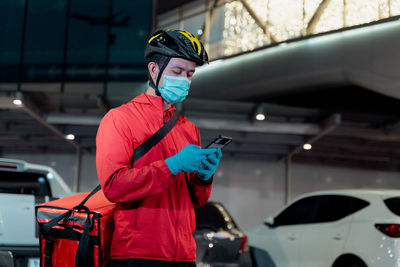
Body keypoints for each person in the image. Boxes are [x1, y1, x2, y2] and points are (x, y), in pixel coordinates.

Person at [96, 29, 222, 267]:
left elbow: (195, 200)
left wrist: (204, 178)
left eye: (190, 74)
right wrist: (171, 166)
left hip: (184, 255)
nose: (184, 79)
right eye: (177, 71)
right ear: (154, 70)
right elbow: (113, 186)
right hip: (136, 255)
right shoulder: (120, 119)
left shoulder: (188, 129)